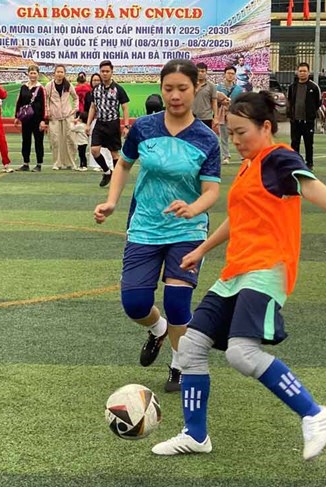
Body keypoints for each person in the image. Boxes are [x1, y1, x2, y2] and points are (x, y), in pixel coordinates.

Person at [150, 90, 326, 458]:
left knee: (241, 353)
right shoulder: (248, 167)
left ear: (266, 127)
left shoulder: (278, 158)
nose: (235, 140)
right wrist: (201, 249)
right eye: (231, 133)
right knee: (191, 346)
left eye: (241, 132)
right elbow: (238, 218)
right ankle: (195, 435)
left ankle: (314, 413)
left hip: (267, 268)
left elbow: (307, 184)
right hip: (235, 272)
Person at [94, 59, 222, 393]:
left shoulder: (206, 139)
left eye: (182, 88)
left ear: (196, 88)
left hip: (187, 230)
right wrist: (112, 201)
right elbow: (124, 165)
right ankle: (158, 329)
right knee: (135, 303)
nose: (175, 96)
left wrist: (193, 207)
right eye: (169, 88)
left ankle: (180, 365)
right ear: (161, 89)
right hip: (146, 226)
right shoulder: (144, 127)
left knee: (178, 302)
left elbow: (211, 191)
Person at [86, 60, 130, 187]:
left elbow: (125, 107)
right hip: (99, 123)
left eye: (107, 71)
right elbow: (93, 107)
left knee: (114, 153)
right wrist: (88, 124)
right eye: (102, 71)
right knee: (94, 150)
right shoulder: (96, 89)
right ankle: (107, 172)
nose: (104, 73)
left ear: (111, 72)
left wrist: (126, 126)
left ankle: (117, 177)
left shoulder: (118, 89)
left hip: (112, 124)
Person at [42, 64, 79, 170]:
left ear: (64, 73)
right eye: (57, 72)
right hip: (54, 117)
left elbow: (75, 98)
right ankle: (57, 163)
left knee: (70, 140)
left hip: (68, 116)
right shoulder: (49, 86)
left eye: (61, 72)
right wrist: (47, 111)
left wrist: (75, 108)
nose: (59, 74)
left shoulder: (68, 85)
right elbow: (45, 99)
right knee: (55, 140)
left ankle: (71, 162)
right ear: (54, 73)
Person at [286, 63, 322, 169]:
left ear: (308, 72)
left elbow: (318, 102)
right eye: (300, 71)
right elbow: (289, 101)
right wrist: (291, 115)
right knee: (294, 143)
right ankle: (295, 163)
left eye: (304, 71)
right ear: (297, 72)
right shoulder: (292, 87)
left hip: (308, 121)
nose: (302, 73)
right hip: (295, 121)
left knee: (308, 143)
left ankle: (309, 163)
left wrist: (311, 113)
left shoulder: (313, 87)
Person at [14, 65, 46, 172]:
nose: (33, 75)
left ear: (38, 74)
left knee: (38, 141)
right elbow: (19, 102)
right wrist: (17, 117)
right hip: (26, 119)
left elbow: (44, 105)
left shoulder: (41, 88)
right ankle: (25, 163)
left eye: (34, 73)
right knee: (25, 141)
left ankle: (39, 164)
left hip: (37, 119)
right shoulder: (23, 87)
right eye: (31, 73)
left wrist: (43, 120)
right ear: (28, 74)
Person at [217, 66, 244, 165]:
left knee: (239, 136)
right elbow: (214, 102)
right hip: (222, 115)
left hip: (234, 115)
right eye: (228, 73)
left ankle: (243, 156)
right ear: (224, 74)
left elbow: (241, 103)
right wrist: (221, 103)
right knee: (223, 137)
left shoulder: (239, 89)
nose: (230, 75)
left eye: (232, 74)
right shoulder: (218, 88)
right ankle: (225, 156)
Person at [192, 62, 219, 132]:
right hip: (191, 117)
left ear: (206, 72)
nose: (200, 73)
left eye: (202, 71)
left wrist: (215, 117)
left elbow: (214, 102)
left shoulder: (211, 86)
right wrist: (196, 89)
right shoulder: (190, 85)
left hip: (206, 117)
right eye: (198, 71)